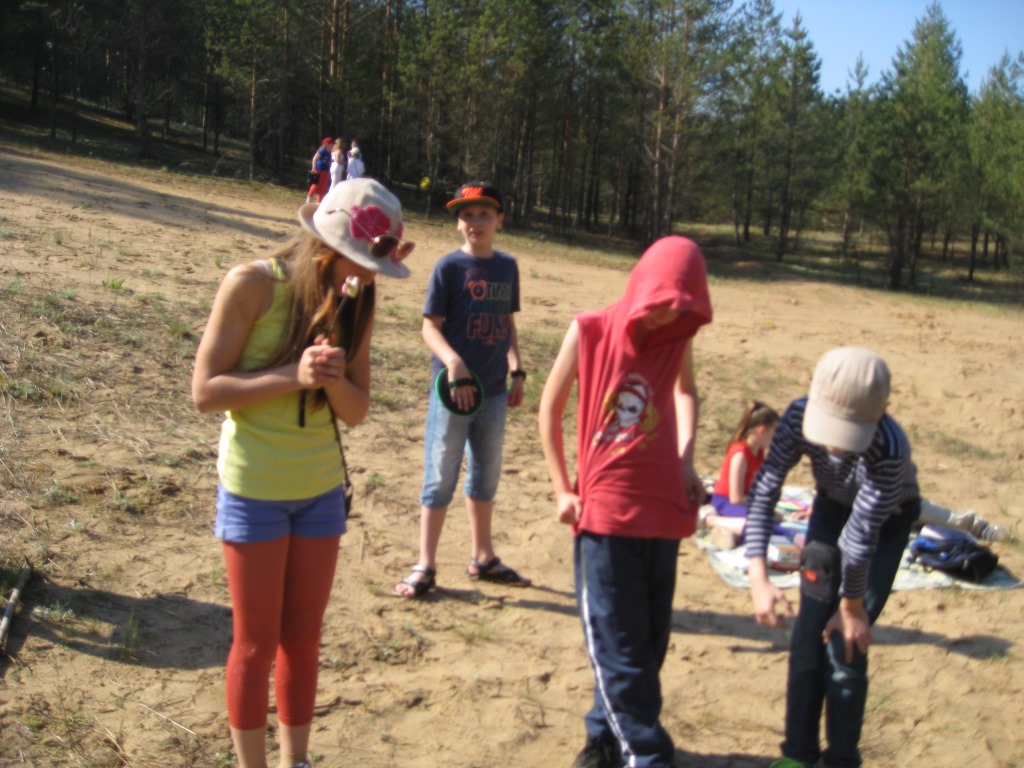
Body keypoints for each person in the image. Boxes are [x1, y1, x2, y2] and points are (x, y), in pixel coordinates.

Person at [192, 178, 413, 768]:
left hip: (319, 493)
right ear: (324, 250)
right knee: (256, 643)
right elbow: (206, 392)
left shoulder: (358, 300)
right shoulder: (252, 285)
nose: (369, 277)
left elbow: (356, 412)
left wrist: (332, 378)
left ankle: (297, 760)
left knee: (303, 639)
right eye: (363, 263)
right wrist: (296, 374)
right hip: (254, 489)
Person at [538, 236, 713, 768]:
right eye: (661, 303)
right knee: (618, 648)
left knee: (648, 643)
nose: (667, 316)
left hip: (662, 511)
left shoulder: (677, 338)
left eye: (679, 307)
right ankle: (646, 754)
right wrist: (562, 487)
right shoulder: (589, 329)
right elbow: (549, 408)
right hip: (605, 515)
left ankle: (603, 737)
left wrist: (685, 460)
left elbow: (686, 392)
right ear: (642, 285)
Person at [744, 346, 922, 768]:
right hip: (830, 506)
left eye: (849, 433)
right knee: (808, 635)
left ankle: (842, 759)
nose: (835, 446)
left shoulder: (890, 447)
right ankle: (798, 754)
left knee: (846, 642)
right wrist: (757, 577)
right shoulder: (796, 418)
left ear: (882, 412)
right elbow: (765, 490)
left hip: (887, 522)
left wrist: (851, 608)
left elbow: (860, 539)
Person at [394, 181, 528, 598]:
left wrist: (517, 369)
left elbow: (506, 323)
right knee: (440, 475)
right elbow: (429, 327)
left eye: (484, 214)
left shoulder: (507, 267)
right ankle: (425, 564)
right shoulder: (448, 268)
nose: (475, 222)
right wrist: (454, 363)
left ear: (499, 220)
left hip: (493, 391)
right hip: (453, 393)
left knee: (486, 474)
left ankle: (482, 557)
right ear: (457, 223)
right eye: (467, 215)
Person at [703, 400, 782, 549]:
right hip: (725, 501)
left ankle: (731, 532)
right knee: (759, 525)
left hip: (743, 502)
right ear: (762, 431)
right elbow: (736, 498)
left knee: (775, 519)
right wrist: (760, 504)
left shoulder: (759, 451)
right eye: (774, 433)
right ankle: (711, 520)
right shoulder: (740, 454)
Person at [305, 138, 333, 204]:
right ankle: (309, 198)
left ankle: (319, 202)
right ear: (327, 144)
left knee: (323, 187)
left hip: (326, 171)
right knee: (316, 185)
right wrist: (314, 167)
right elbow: (315, 158)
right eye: (331, 144)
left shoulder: (329, 153)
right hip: (319, 170)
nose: (332, 146)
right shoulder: (322, 150)